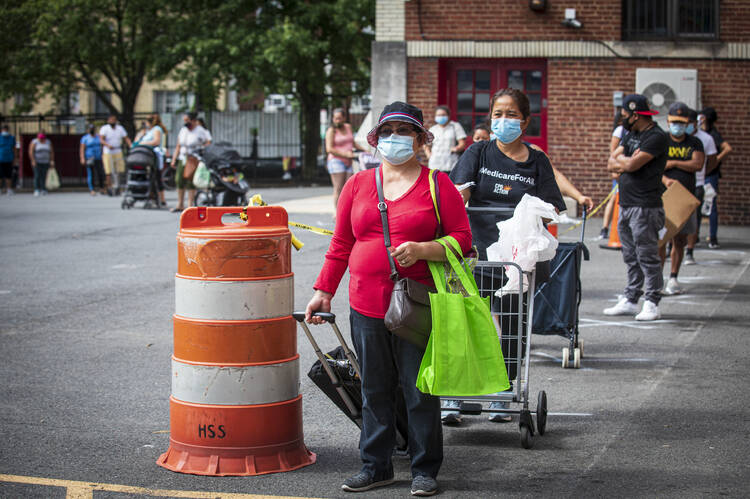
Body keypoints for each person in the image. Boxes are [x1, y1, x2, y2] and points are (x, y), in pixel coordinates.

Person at [305, 102, 471, 497]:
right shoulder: (358, 184)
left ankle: (424, 469)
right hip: (365, 304)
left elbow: (463, 240)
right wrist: (323, 291)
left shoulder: (437, 184)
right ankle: (375, 466)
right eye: (388, 132)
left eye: (405, 131)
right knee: (374, 389)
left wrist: (424, 250)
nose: (395, 139)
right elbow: (341, 243)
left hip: (417, 304)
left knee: (419, 389)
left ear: (420, 140)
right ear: (376, 139)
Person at [449, 88, 565, 424]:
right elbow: (460, 193)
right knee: (468, 321)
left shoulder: (536, 161)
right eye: (497, 114)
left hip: (516, 260)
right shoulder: (479, 152)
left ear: (525, 120)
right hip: (476, 253)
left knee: (512, 324)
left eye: (511, 114)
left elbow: (551, 207)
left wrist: (530, 214)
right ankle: (459, 391)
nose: (503, 120)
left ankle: (503, 389)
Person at [603, 94, 668, 321]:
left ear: (635, 115)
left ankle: (652, 301)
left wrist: (626, 164)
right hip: (627, 203)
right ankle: (631, 298)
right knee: (630, 255)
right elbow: (613, 161)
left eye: (624, 115)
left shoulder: (656, 137)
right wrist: (625, 164)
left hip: (646, 207)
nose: (621, 119)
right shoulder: (631, 135)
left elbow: (631, 164)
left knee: (647, 255)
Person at [659, 103, 704, 296]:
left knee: (680, 239)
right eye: (674, 122)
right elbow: (656, 167)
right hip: (662, 196)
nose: (677, 125)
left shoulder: (694, 143)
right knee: (661, 240)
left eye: (681, 122)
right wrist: (666, 177)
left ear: (688, 123)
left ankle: (674, 277)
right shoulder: (661, 140)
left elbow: (698, 164)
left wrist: (674, 163)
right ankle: (658, 279)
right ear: (668, 122)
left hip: (685, 196)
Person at [685, 109, 718, 264]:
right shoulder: (672, 138)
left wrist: (703, 174)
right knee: (670, 218)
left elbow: (712, 161)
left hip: (697, 183)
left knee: (693, 219)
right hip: (674, 183)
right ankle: (671, 246)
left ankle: (690, 250)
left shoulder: (705, 139)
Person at [699, 107, 732, 249]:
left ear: (705, 118)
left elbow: (727, 148)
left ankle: (713, 237)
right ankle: (695, 236)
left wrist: (715, 160)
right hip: (703, 174)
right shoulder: (702, 134)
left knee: (710, 205)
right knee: (698, 206)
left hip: (710, 174)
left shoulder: (712, 135)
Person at [325, 109, 366, 213]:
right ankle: (337, 213)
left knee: (348, 188)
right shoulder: (331, 131)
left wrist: (364, 150)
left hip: (349, 161)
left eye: (339, 118)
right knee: (338, 188)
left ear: (344, 118)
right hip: (336, 161)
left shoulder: (348, 127)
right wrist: (346, 154)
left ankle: (346, 211)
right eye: (335, 118)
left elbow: (352, 142)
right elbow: (329, 149)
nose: (337, 120)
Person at [171, 112, 212, 212]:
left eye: (187, 120)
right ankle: (180, 204)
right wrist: (174, 159)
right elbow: (178, 145)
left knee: (191, 181)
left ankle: (190, 205)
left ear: (193, 120)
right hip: (183, 157)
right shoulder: (183, 130)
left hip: (194, 158)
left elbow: (208, 142)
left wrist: (202, 149)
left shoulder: (200, 130)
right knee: (179, 180)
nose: (185, 123)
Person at [599, 110, 625, 240]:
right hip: (620, 169)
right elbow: (613, 153)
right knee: (614, 197)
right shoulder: (620, 131)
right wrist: (616, 171)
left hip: (629, 170)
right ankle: (604, 228)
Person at [135, 114, 168, 207]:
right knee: (150, 177)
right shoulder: (148, 131)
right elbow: (136, 141)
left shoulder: (157, 129)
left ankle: (162, 199)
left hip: (154, 156)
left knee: (156, 177)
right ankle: (151, 196)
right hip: (145, 157)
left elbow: (156, 142)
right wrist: (141, 134)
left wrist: (143, 143)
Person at [423, 106, 466, 173]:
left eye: (443, 115)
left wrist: (456, 148)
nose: (441, 117)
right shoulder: (433, 129)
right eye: (439, 115)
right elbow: (426, 145)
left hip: (451, 163)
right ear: (435, 117)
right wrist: (429, 155)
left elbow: (462, 143)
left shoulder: (455, 126)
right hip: (435, 164)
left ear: (448, 116)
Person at [99, 115, 131, 195]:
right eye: (110, 120)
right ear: (108, 121)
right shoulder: (105, 128)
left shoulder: (120, 128)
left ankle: (118, 187)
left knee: (119, 170)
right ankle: (109, 188)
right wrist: (107, 145)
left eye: (113, 120)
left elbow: (126, 138)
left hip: (117, 151)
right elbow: (101, 139)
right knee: (108, 171)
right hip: (108, 152)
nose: (112, 121)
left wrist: (131, 146)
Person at [79, 124, 105, 196]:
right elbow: (82, 149)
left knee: (100, 173)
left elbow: (102, 145)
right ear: (88, 130)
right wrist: (82, 158)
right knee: (91, 174)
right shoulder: (85, 138)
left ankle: (102, 188)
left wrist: (103, 154)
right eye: (90, 129)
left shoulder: (98, 137)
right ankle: (92, 189)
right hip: (89, 158)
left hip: (98, 157)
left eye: (93, 128)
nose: (92, 130)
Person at [0, 125, 17, 195]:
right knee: (0, 176)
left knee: (8, 175)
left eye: (6, 130)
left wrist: (15, 158)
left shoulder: (11, 138)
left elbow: (14, 148)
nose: (5, 131)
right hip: (0, 159)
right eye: (4, 130)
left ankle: (9, 189)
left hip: (9, 159)